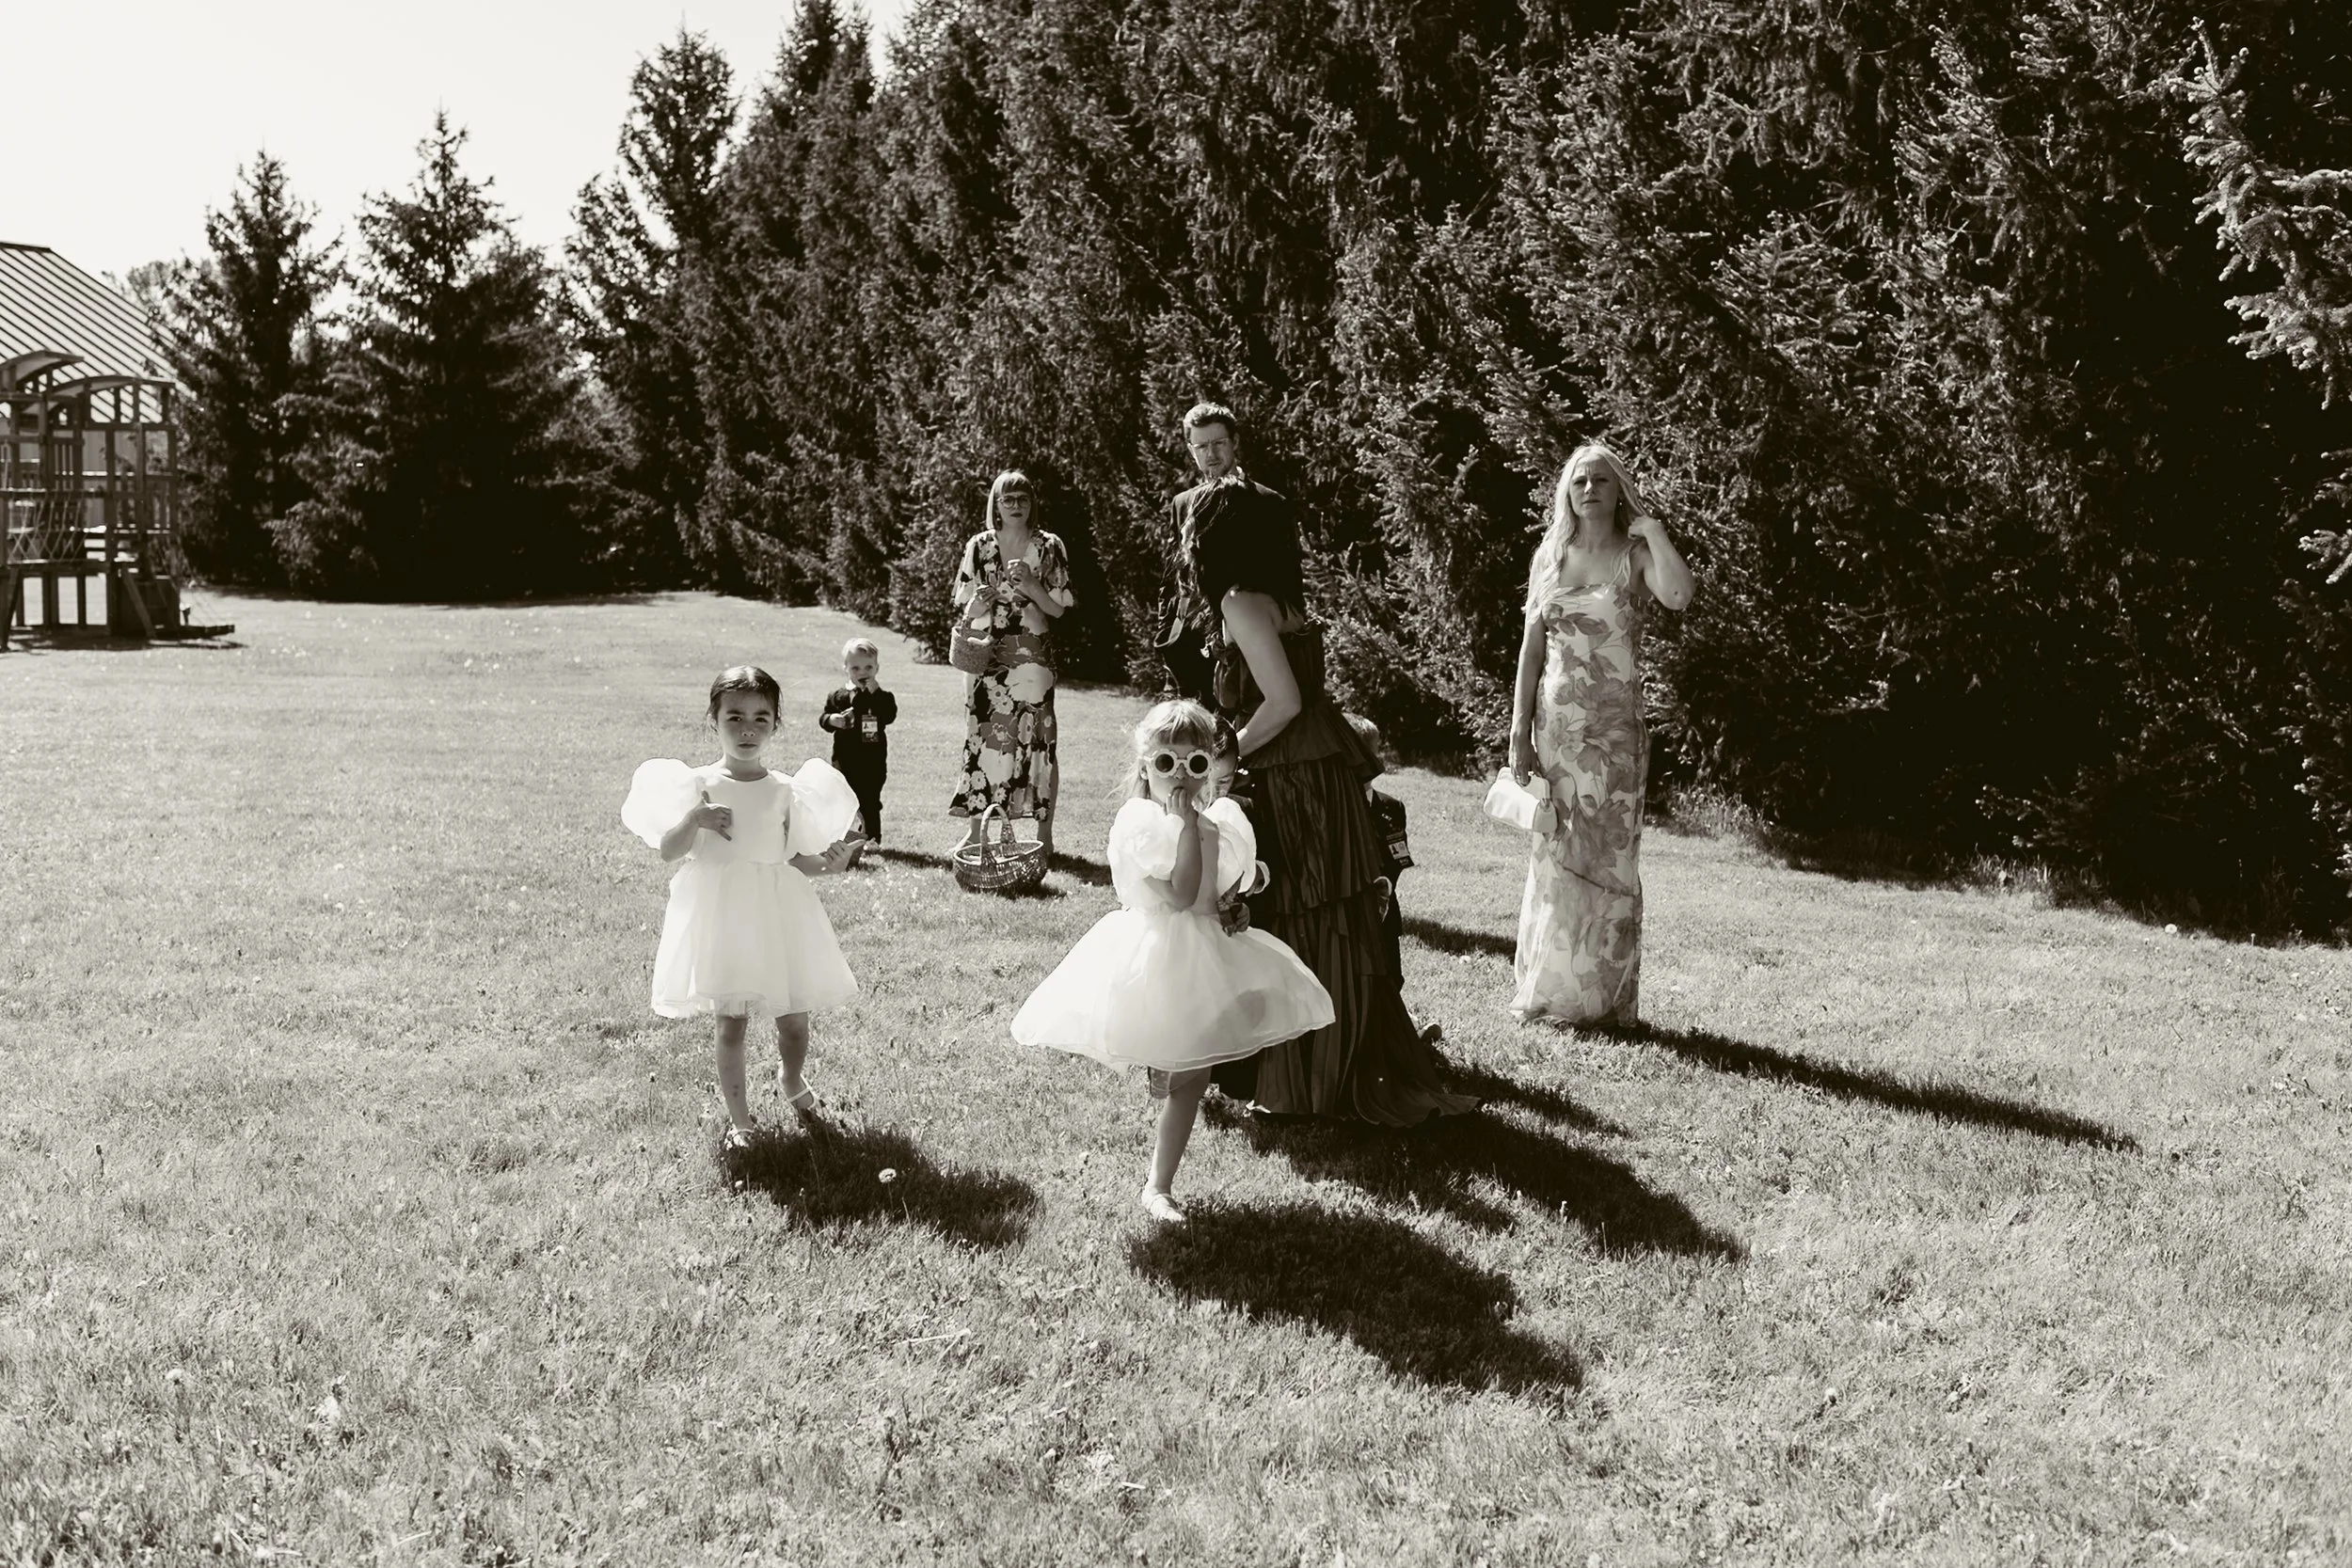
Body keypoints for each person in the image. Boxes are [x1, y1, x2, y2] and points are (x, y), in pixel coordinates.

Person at [1165, 402, 1476, 1125]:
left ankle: (1311, 1075)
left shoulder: (1242, 601)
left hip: (1296, 775)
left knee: (1305, 915)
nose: (1186, 548)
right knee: (1326, 914)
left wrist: (1223, 756)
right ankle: (1325, 1057)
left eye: (1192, 536)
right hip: (1318, 769)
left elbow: (1283, 700)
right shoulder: (1281, 599)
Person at [1012, 700, 1334, 1222]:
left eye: (1195, 764)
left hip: (1205, 953)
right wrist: (1188, 831)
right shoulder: (1144, 824)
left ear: (1211, 768)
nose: (1180, 777)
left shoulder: (1220, 822)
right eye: (1166, 764)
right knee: (1178, 1065)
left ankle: (1158, 1184)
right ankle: (1159, 1139)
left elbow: (1214, 893)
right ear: (1146, 768)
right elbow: (1182, 895)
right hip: (1158, 954)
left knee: (1193, 1077)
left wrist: (1234, 909)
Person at [622, 665, 866, 1149]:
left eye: (760, 717)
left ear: (776, 724)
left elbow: (797, 859)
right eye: (734, 717)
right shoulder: (699, 785)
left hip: (777, 915)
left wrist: (832, 865)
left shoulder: (784, 790)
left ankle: (791, 1079)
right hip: (724, 918)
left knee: (794, 1021)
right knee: (730, 1022)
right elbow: (671, 851)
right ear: (713, 720)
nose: (747, 728)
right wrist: (697, 818)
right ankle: (741, 1121)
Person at [1507, 443, 1694, 1024]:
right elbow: (1531, 649)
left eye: (1601, 481)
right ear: (1567, 491)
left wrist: (1656, 532)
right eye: (1580, 481)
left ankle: (1601, 1001)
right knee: (1557, 849)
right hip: (1557, 729)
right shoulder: (1551, 556)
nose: (1589, 489)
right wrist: (1518, 729)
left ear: (1618, 493)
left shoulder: (1634, 557)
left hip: (1615, 736)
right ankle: (1550, 991)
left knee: (1610, 859)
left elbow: (1680, 596)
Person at [950, 470, 1073, 858]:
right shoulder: (978, 546)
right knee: (983, 738)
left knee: (1040, 742)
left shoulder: (1049, 546)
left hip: (1032, 657)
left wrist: (1032, 587)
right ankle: (976, 833)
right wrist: (979, 605)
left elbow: (1060, 609)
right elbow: (965, 605)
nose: (1016, 505)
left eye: (1023, 498)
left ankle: (1044, 836)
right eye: (1008, 499)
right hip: (987, 656)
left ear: (1032, 503)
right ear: (996, 505)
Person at [818, 637, 898, 852]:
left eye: (869, 667)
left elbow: (889, 715)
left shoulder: (882, 697)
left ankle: (872, 837)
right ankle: (839, 836)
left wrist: (876, 693)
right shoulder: (839, 696)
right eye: (855, 667)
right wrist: (832, 720)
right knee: (843, 797)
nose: (863, 672)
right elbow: (823, 718)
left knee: (870, 799)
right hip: (845, 758)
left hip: (873, 760)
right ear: (846, 669)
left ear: (877, 668)